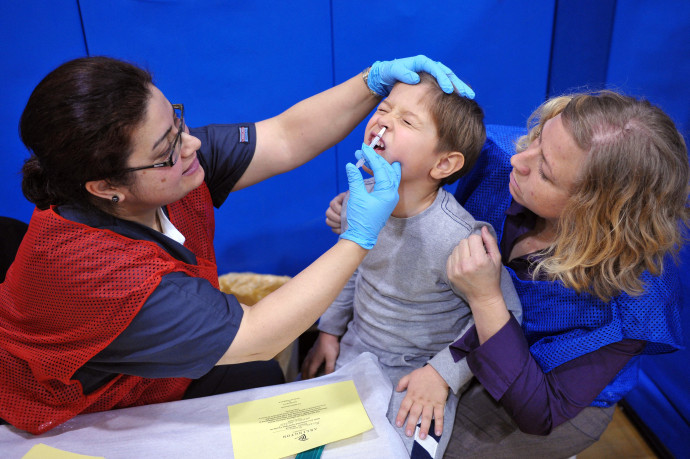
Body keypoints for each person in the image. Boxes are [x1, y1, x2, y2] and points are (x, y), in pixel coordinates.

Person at [0, 54, 475, 435]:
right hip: (76, 408)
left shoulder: (169, 164)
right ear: (106, 187)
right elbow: (257, 336)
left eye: (177, 123)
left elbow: (286, 137)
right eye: (166, 149)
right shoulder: (98, 274)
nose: (191, 146)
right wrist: (357, 238)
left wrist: (372, 82)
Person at [325, 89, 688, 458]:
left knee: (431, 446)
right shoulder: (498, 159)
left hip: (543, 392)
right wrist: (365, 221)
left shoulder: (635, 305)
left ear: (594, 214)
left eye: (544, 171)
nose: (519, 160)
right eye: (535, 139)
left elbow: (541, 411)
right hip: (458, 346)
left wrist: (484, 300)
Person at [301, 72, 522, 458]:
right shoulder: (361, 201)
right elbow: (348, 268)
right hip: (354, 358)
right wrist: (329, 332)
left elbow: (503, 315)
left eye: (406, 120)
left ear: (444, 164)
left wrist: (443, 375)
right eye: (384, 109)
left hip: (417, 379)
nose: (384, 120)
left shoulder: (461, 237)